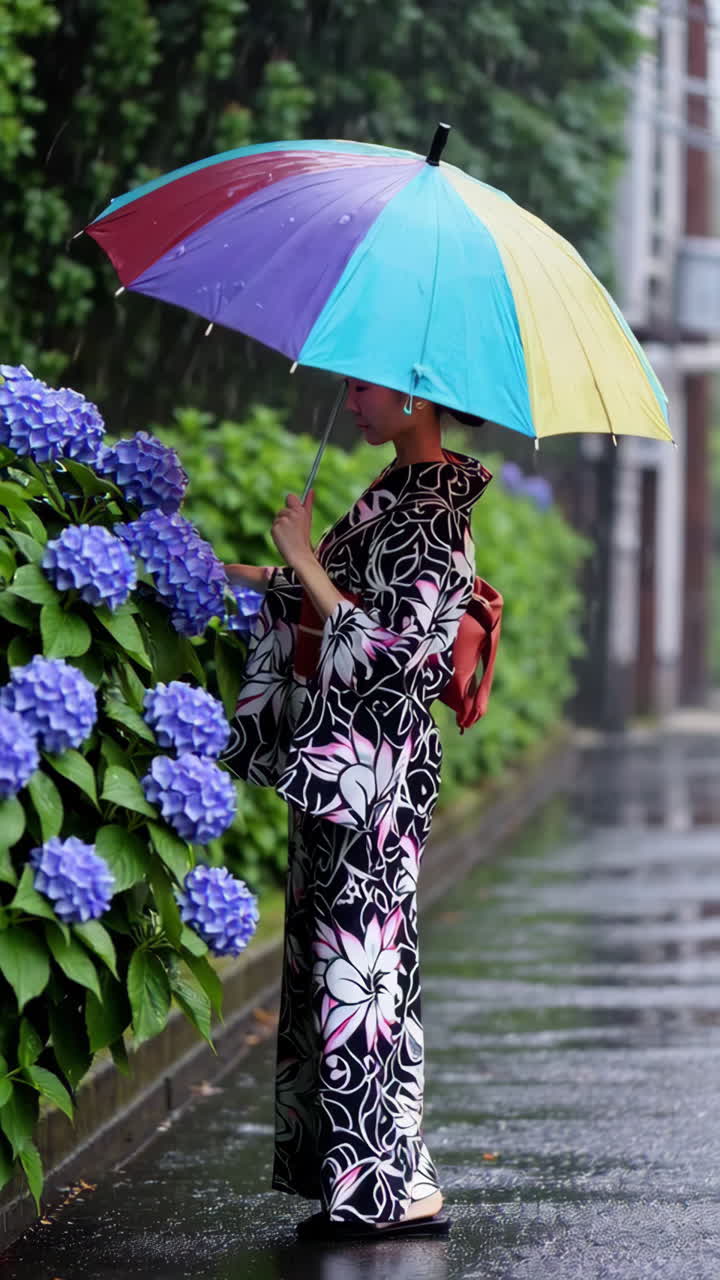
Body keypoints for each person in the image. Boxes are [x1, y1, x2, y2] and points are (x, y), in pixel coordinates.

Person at [223, 379, 491, 1240]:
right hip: (339, 765)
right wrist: (237, 573)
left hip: (374, 777)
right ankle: (370, 1181)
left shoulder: (440, 518)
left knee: (364, 974)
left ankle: (394, 1192)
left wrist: (301, 559)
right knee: (334, 968)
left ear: (417, 396)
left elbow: (395, 655)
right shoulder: (391, 494)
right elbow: (329, 598)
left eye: (362, 386)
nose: (348, 401)